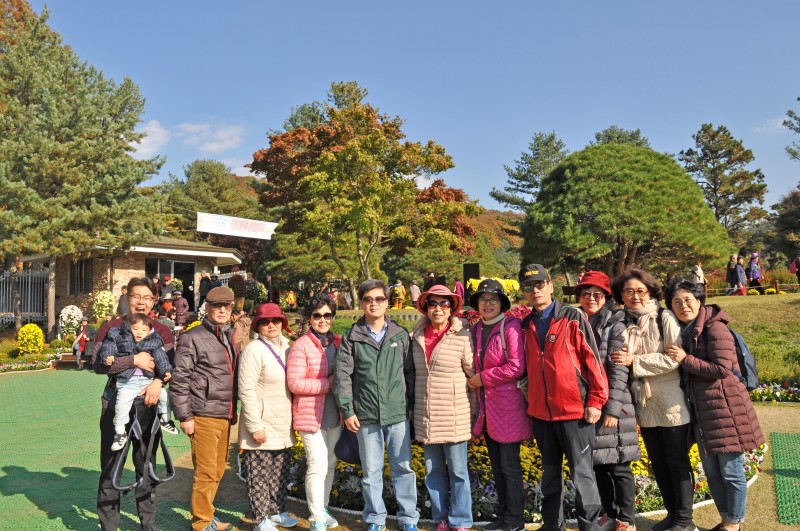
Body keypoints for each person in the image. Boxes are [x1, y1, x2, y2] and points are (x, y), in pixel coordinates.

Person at [664, 278, 764, 531]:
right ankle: (726, 520)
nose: (683, 305)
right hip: (704, 413)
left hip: (726, 409)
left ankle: (734, 524)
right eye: (677, 302)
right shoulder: (688, 331)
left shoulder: (715, 328)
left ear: (699, 301)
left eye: (688, 300)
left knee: (731, 472)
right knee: (712, 472)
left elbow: (721, 369)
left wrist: (685, 359)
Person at [519, 264, 606, 531]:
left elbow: (593, 361)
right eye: (528, 287)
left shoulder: (572, 317)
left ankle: (589, 526)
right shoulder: (525, 324)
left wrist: (595, 400)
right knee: (549, 475)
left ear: (550, 286)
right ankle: (552, 525)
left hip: (574, 412)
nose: (535, 291)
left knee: (582, 475)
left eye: (539, 285)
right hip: (541, 414)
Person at [609, 269, 694, 531]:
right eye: (628, 291)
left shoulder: (663, 317)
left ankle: (684, 520)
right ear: (621, 295)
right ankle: (672, 515)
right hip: (644, 402)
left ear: (650, 292)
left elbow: (673, 358)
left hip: (670, 400)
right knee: (658, 461)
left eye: (640, 291)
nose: (635, 296)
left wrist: (635, 361)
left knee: (677, 460)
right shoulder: (624, 321)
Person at [91, 277, 175, 531]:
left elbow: (170, 367)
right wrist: (133, 361)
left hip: (148, 406)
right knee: (111, 467)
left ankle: (148, 525)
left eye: (147, 297)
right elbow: (97, 364)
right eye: (136, 296)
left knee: (146, 466)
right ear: (127, 298)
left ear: (154, 301)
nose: (141, 302)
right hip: (116, 403)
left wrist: (159, 383)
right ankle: (109, 527)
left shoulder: (163, 330)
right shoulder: (111, 328)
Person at [334, 279, 419, 531]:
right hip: (366, 415)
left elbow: (410, 373)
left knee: (403, 468)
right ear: (361, 303)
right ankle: (375, 518)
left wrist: (411, 406)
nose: (374, 304)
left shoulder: (400, 335)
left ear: (387, 302)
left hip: (397, 413)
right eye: (368, 299)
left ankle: (408, 518)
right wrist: (348, 410)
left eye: (379, 299)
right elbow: (343, 377)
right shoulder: (352, 336)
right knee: (371, 472)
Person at [171, 286, 239, 531]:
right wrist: (185, 416)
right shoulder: (193, 337)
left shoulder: (229, 336)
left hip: (225, 413)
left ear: (232, 309)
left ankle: (208, 516)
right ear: (207, 308)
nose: (222, 310)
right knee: (206, 472)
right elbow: (180, 379)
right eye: (216, 306)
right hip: (203, 414)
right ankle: (201, 523)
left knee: (218, 470)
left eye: (226, 306)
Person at [575, 271, 639, 531]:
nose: (591, 298)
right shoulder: (576, 321)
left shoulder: (615, 324)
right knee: (598, 464)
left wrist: (611, 409)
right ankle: (608, 513)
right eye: (586, 293)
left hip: (615, 403)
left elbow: (619, 370)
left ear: (606, 297)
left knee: (619, 465)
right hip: (587, 403)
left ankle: (627, 519)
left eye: (597, 294)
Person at [468, 278, 531, 531]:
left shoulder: (511, 326)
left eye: (493, 300)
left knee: (509, 466)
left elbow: (517, 366)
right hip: (487, 409)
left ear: (502, 303)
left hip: (508, 408)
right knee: (497, 465)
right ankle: (504, 517)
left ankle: (515, 520)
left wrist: (483, 378)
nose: (488, 304)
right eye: (483, 300)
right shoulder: (475, 329)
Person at [412, 285, 474, 531]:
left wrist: (476, 415)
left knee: (458, 472)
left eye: (444, 304)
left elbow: (473, 379)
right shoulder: (415, 337)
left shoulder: (462, 337)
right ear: (426, 308)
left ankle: (461, 520)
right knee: (433, 471)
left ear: (452, 308)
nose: (438, 309)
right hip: (426, 417)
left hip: (455, 415)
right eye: (432, 304)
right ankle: (441, 519)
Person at [239, 303, 298, 531]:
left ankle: (276, 511)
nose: (271, 325)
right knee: (259, 474)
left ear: (283, 323)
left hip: (283, 420)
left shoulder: (287, 347)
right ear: (258, 326)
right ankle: (261, 518)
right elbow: (246, 389)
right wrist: (255, 425)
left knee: (280, 471)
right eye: (265, 321)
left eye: (275, 320)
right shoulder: (253, 349)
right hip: (262, 420)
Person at [287, 295, 342, 531]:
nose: (322, 319)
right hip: (310, 416)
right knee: (317, 464)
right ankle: (316, 517)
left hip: (335, 414)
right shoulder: (301, 346)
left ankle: (324, 507)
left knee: (330, 463)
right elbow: (295, 383)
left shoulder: (339, 343)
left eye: (327, 315)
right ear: (309, 318)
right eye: (317, 315)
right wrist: (327, 383)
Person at [98, 313, 178, 450]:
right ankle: (119, 431)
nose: (139, 332)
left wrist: (165, 371)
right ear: (129, 328)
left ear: (149, 331)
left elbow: (161, 358)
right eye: (135, 329)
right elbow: (108, 347)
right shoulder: (119, 336)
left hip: (147, 380)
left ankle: (165, 418)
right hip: (127, 382)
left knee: (165, 396)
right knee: (122, 404)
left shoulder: (154, 342)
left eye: (143, 330)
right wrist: (108, 356)